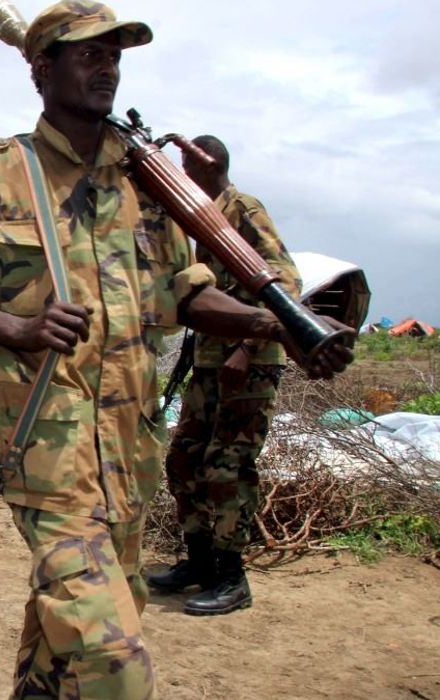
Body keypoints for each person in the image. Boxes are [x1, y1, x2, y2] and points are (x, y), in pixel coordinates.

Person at [0, 3, 352, 697]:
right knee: (115, 660)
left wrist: (280, 328)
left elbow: (186, 295)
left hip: (129, 455)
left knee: (68, 635)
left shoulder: (149, 188)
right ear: (42, 68)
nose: (107, 67)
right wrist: (15, 329)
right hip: (45, 454)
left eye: (114, 56)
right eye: (90, 54)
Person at [146, 135, 302, 616]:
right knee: (184, 461)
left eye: (190, 162)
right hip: (210, 362)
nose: (183, 170)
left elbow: (286, 279)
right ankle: (199, 563)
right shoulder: (199, 217)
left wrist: (246, 346)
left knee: (228, 468)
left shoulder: (242, 208)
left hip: (249, 364)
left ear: (211, 163)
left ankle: (232, 578)